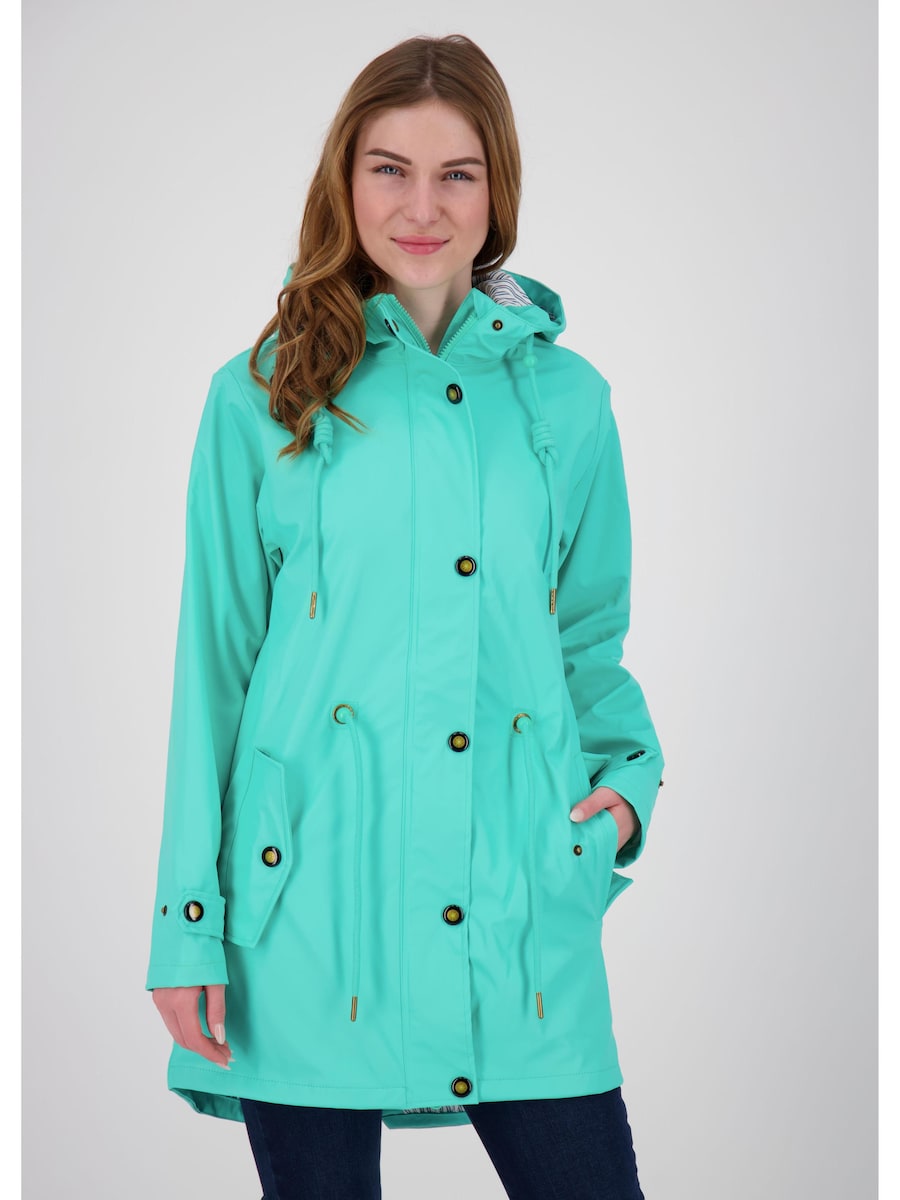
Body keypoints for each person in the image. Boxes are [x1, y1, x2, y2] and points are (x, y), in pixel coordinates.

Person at [146, 32, 665, 1200]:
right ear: (346, 179)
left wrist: (627, 790)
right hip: (303, 912)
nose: (421, 207)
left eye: (455, 174)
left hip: (518, 908)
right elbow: (214, 669)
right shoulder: (261, 392)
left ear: (497, 190)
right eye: (390, 169)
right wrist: (187, 921)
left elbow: (588, 636)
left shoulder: (570, 401)